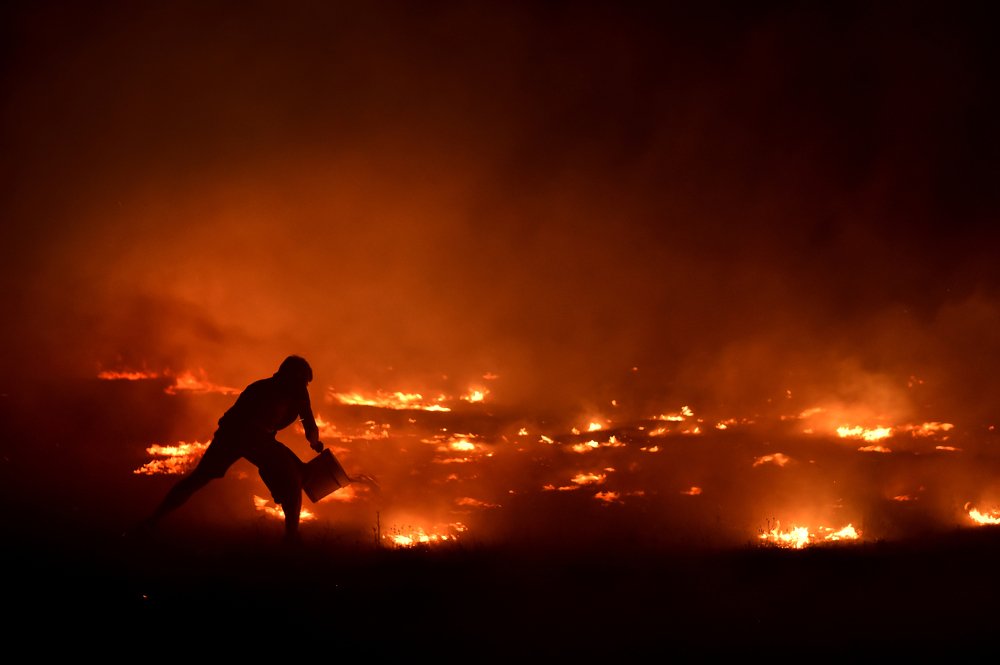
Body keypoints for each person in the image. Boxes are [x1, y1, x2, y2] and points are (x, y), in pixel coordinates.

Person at [134, 355, 325, 543]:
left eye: (305, 384)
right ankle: (291, 538)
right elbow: (250, 426)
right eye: (302, 382)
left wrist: (313, 443)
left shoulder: (290, 394)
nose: (304, 387)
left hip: (250, 437)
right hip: (239, 434)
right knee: (291, 476)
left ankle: (291, 537)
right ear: (289, 377)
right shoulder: (264, 390)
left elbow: (308, 425)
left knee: (292, 476)